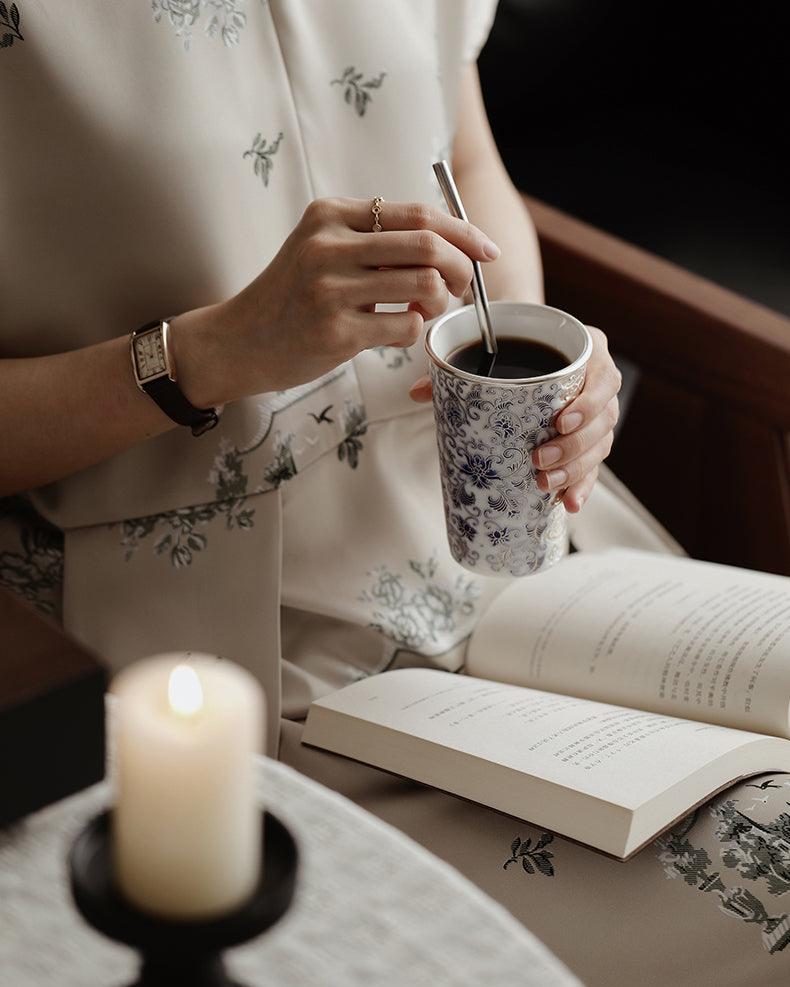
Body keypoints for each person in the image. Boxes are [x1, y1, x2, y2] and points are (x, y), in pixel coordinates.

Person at [3, 3, 785, 984]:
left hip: (514, 555)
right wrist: (199, 358)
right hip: (217, 653)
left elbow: (467, 169)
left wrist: (555, 371)